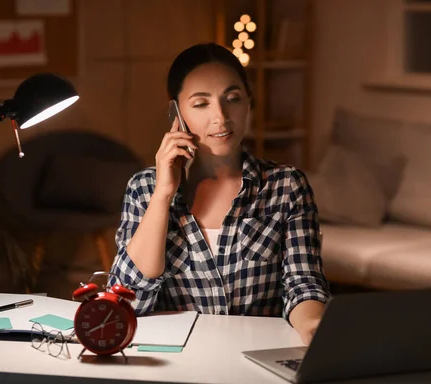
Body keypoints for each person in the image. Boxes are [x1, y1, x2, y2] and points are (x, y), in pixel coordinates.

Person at [110, 42, 330, 345]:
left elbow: (303, 284)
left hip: (256, 362)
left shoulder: (286, 186)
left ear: (249, 102)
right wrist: (163, 194)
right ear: (176, 110)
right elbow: (126, 302)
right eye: (201, 104)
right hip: (176, 367)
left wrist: (313, 326)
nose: (221, 117)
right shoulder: (144, 188)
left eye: (233, 99)